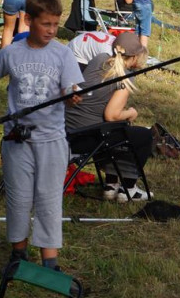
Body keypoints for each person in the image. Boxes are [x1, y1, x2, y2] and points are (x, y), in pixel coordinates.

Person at [0, 0, 84, 270]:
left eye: (56, 25)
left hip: (52, 140)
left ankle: (49, 261)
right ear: (28, 20)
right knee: (18, 197)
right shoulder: (11, 53)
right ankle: (18, 254)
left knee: (49, 199)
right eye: (46, 24)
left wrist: (72, 94)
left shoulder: (63, 55)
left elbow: (71, 88)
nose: (52, 30)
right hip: (16, 140)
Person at [65, 32, 154, 202]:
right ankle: (129, 188)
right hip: (84, 139)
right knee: (142, 135)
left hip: (66, 129)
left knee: (114, 129)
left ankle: (111, 185)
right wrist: (131, 113)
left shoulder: (99, 59)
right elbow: (112, 115)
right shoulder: (126, 78)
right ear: (134, 57)